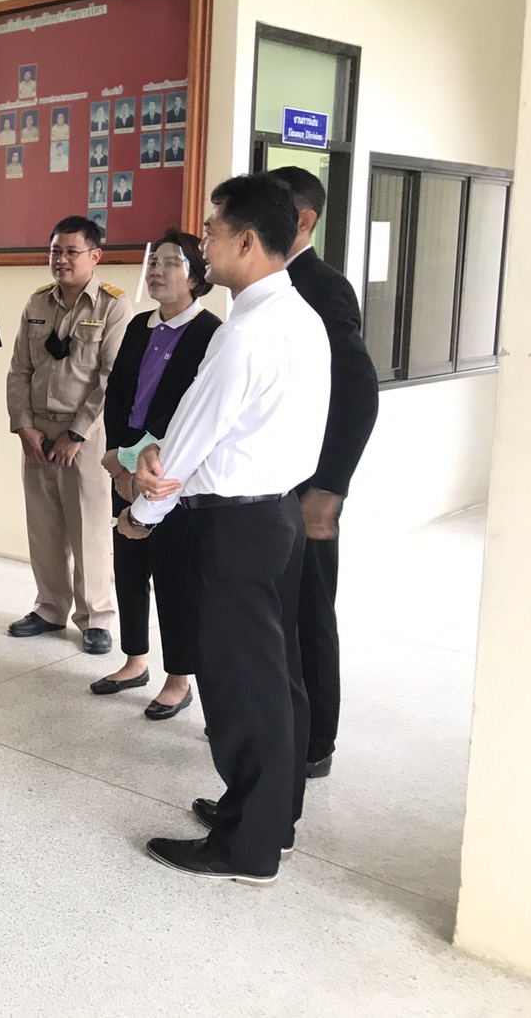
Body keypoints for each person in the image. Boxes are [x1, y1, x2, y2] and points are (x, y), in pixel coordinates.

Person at [120, 172, 329, 884]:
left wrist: (140, 514)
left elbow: (186, 443)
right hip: (278, 515)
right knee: (277, 678)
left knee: (243, 686)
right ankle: (271, 817)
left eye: (210, 231)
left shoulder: (243, 334)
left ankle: (247, 847)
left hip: (234, 526)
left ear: (246, 240)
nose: (203, 243)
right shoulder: (299, 317)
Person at [269, 165, 380, 779]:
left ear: (304, 220)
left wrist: (329, 489)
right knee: (278, 610)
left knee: (310, 612)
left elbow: (359, 392)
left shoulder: (322, 286)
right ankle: (282, 725)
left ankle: (315, 744)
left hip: (308, 487)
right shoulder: (274, 280)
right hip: (273, 478)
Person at [94, 231, 220, 719]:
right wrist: (116, 456)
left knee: (173, 575)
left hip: (171, 474)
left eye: (172, 262)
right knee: (129, 565)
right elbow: (117, 394)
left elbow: (187, 413)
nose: (157, 270)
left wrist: (135, 462)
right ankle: (135, 660)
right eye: (154, 261)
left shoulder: (210, 333)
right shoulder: (139, 326)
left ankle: (179, 678)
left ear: (196, 276)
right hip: (125, 464)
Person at [6, 216, 131, 651]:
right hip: (37, 431)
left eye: (71, 252)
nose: (61, 260)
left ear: (94, 256)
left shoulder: (112, 306)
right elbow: (19, 369)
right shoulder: (37, 303)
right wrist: (23, 425)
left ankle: (96, 616)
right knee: (44, 526)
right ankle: (49, 608)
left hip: (86, 435)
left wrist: (75, 435)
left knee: (89, 527)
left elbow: (111, 379)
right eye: (55, 251)